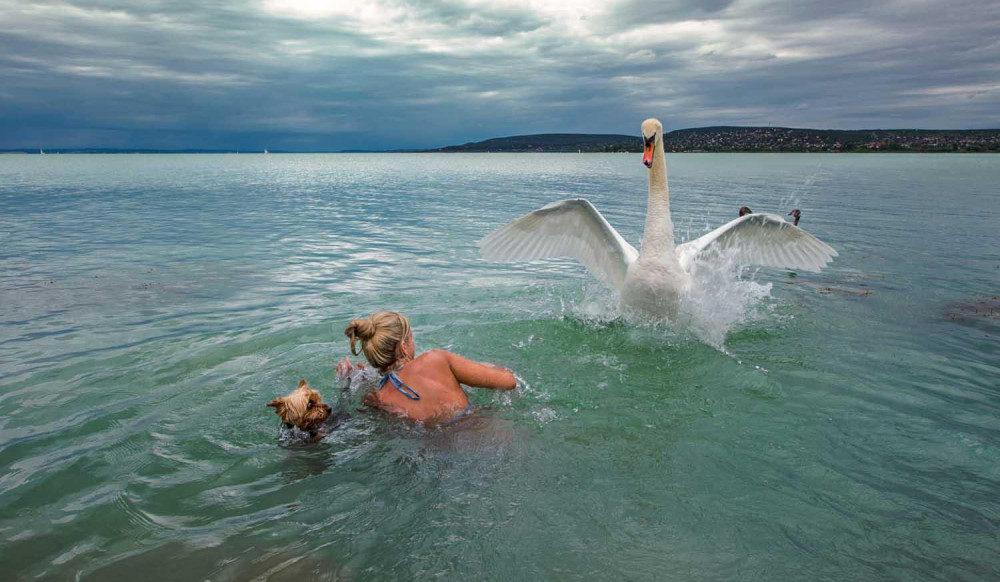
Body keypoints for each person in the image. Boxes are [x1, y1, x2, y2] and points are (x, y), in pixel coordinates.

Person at [337, 311, 516, 425]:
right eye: (411, 338)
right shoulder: (435, 359)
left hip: (439, 455)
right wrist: (485, 367)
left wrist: (349, 386)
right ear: (403, 346)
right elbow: (509, 382)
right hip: (483, 435)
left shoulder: (377, 398)